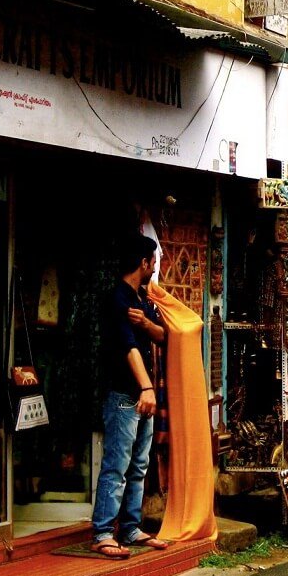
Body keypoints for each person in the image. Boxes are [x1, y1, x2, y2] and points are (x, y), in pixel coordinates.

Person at [91, 234, 170, 559]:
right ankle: (103, 531)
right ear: (143, 263)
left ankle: (132, 527)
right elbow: (128, 347)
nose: (154, 267)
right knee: (117, 465)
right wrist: (146, 387)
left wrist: (148, 324)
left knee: (138, 465)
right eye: (153, 262)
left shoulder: (140, 300)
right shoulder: (118, 298)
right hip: (125, 392)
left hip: (139, 393)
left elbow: (163, 335)